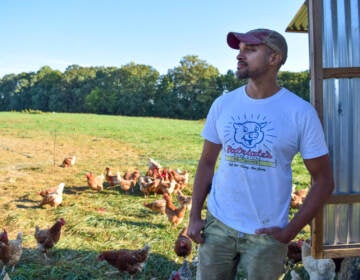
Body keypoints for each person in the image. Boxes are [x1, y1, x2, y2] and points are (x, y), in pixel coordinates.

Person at [187, 28, 334, 280]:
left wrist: (290, 231)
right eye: (240, 50)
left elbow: (324, 181)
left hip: (267, 235)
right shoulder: (223, 104)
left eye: (250, 50)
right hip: (218, 225)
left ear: (274, 58)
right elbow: (207, 162)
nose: (239, 56)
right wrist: (194, 216)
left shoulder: (300, 112)